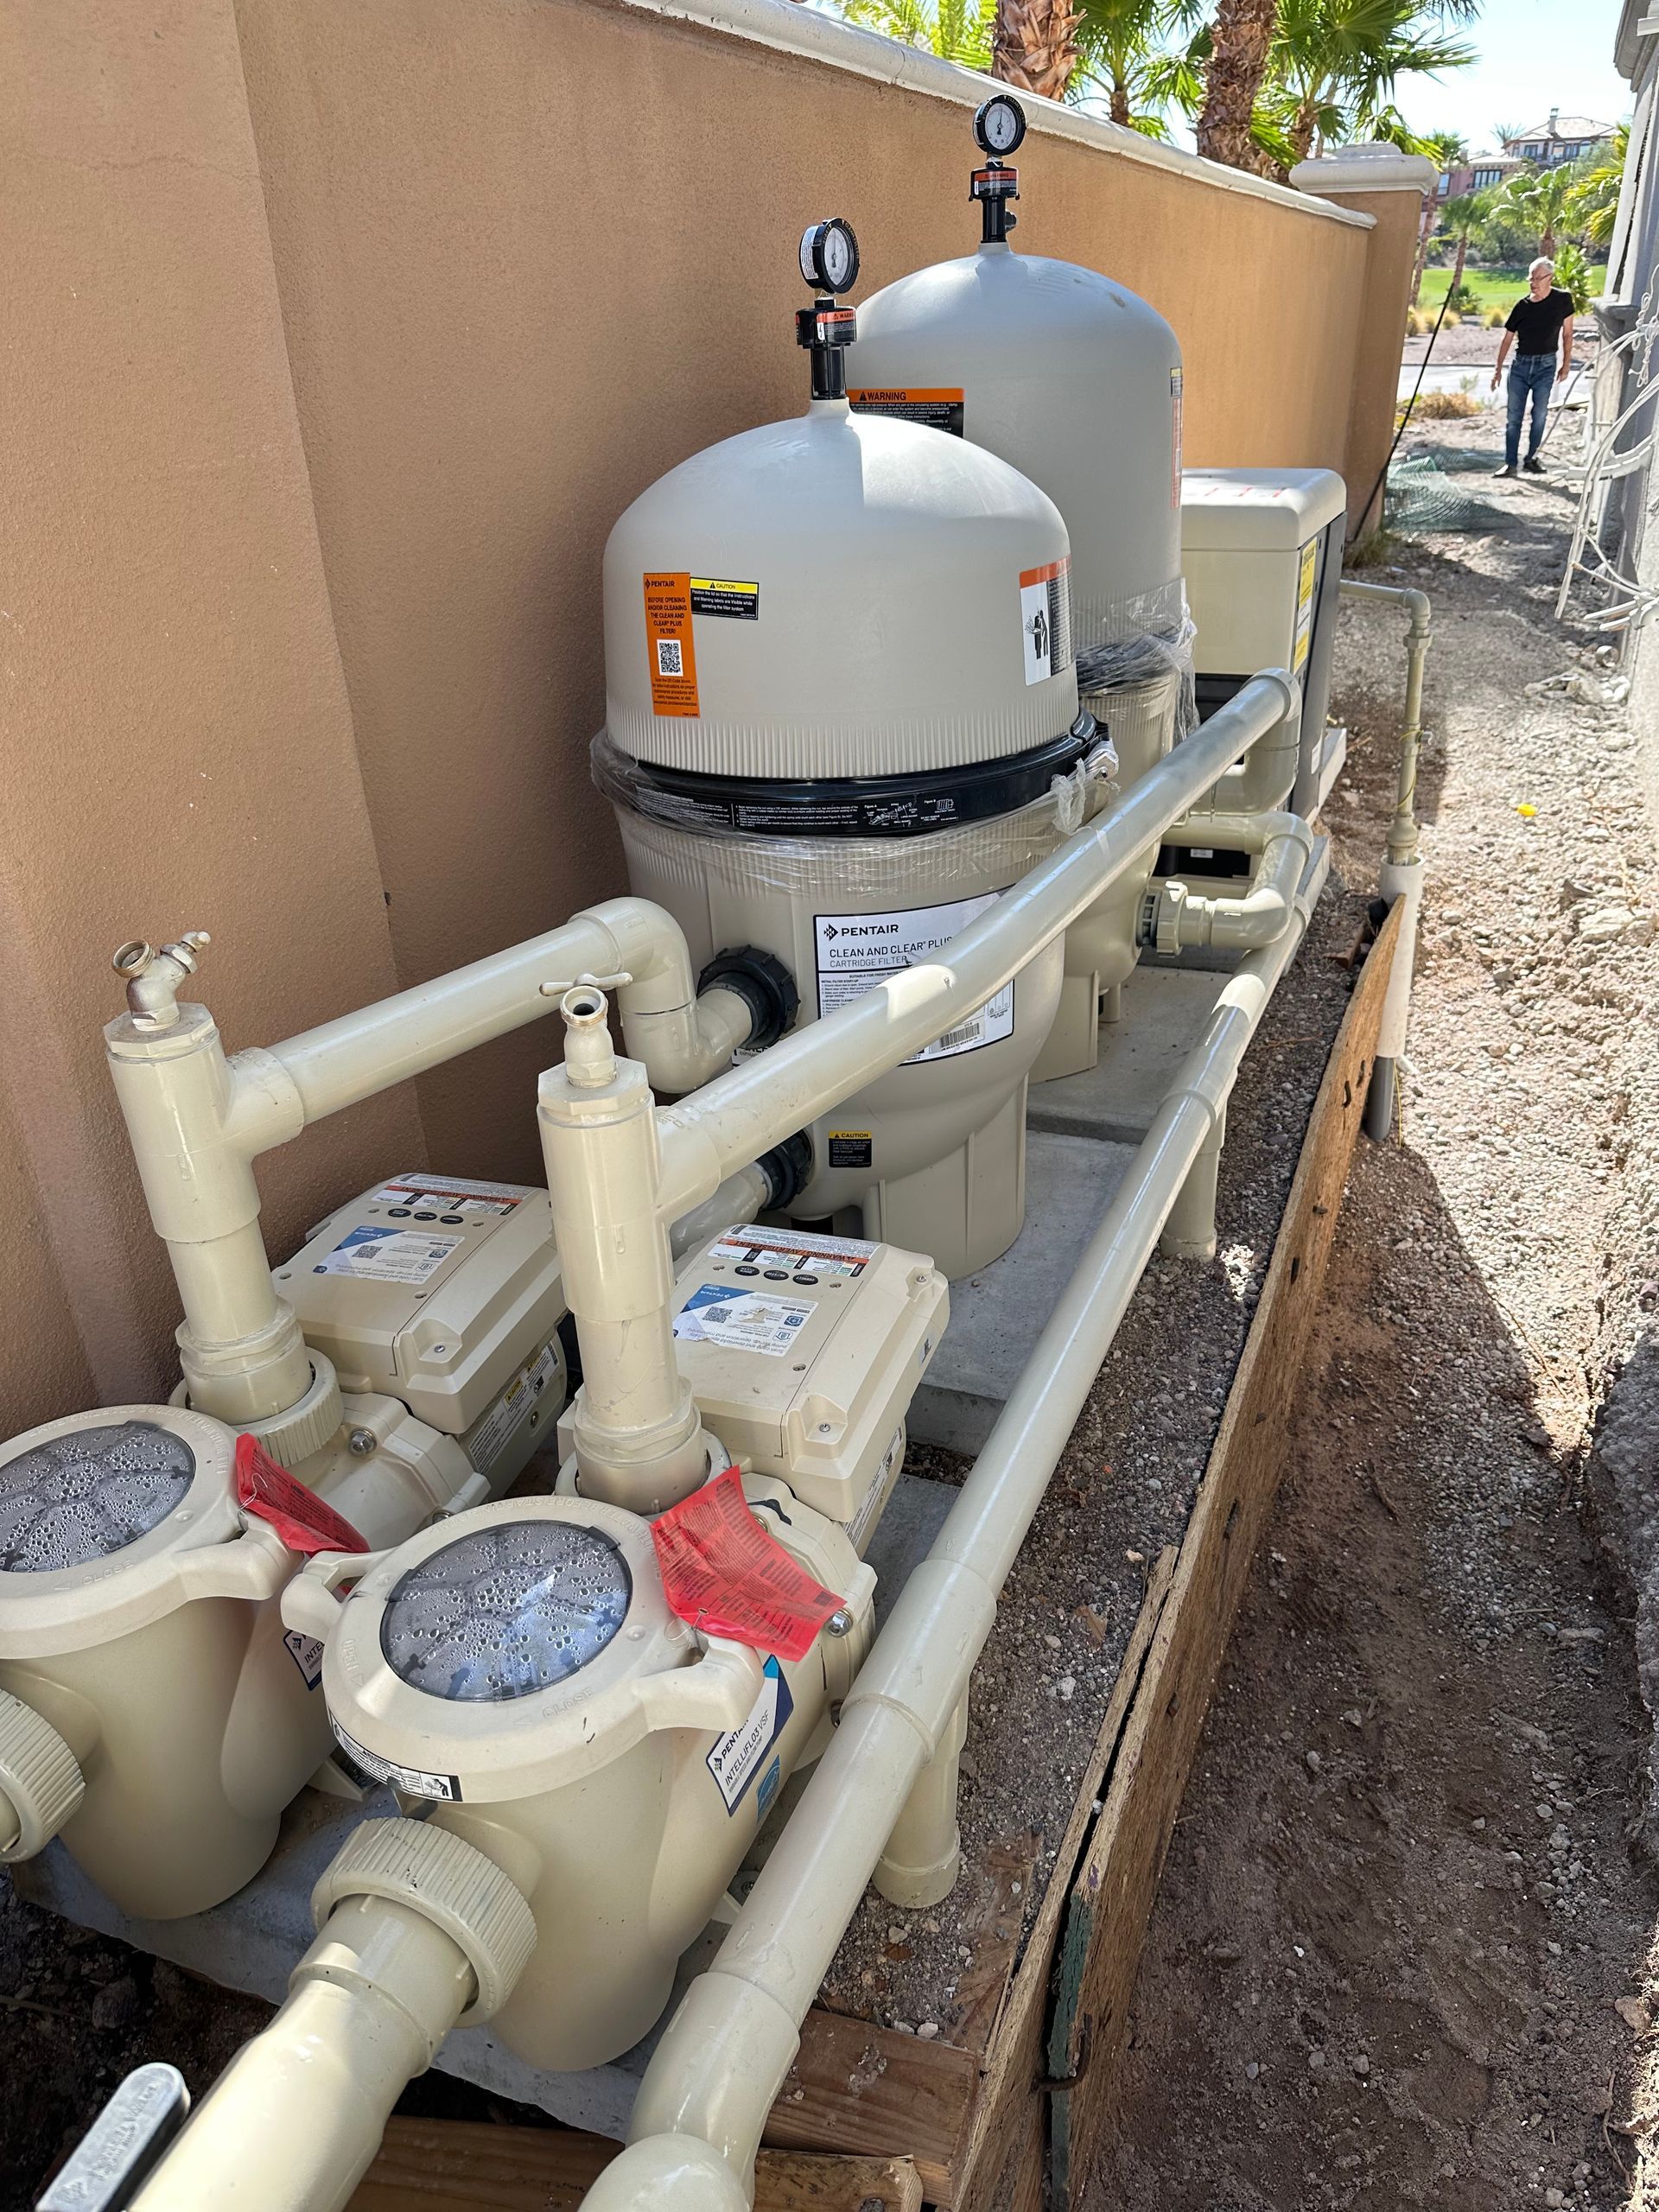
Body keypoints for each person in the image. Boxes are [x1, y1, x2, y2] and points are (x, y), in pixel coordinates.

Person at [1491, 257, 1576, 478]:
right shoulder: (1522, 306)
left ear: (1550, 278)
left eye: (1538, 278)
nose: (1534, 283)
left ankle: (1532, 459)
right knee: (1514, 417)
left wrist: (1566, 364)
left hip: (1546, 366)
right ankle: (1510, 464)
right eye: (1531, 279)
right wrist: (1498, 370)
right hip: (1520, 366)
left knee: (1540, 414)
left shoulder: (1563, 300)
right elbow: (1507, 339)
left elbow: (1568, 334)